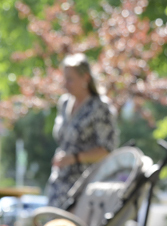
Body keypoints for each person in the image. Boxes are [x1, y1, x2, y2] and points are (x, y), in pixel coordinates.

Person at [45, 54, 118, 207]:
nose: (65, 84)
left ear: (85, 78)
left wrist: (75, 158)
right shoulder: (64, 103)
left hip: (85, 187)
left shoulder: (99, 107)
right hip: (59, 183)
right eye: (65, 79)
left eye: (70, 79)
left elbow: (107, 150)